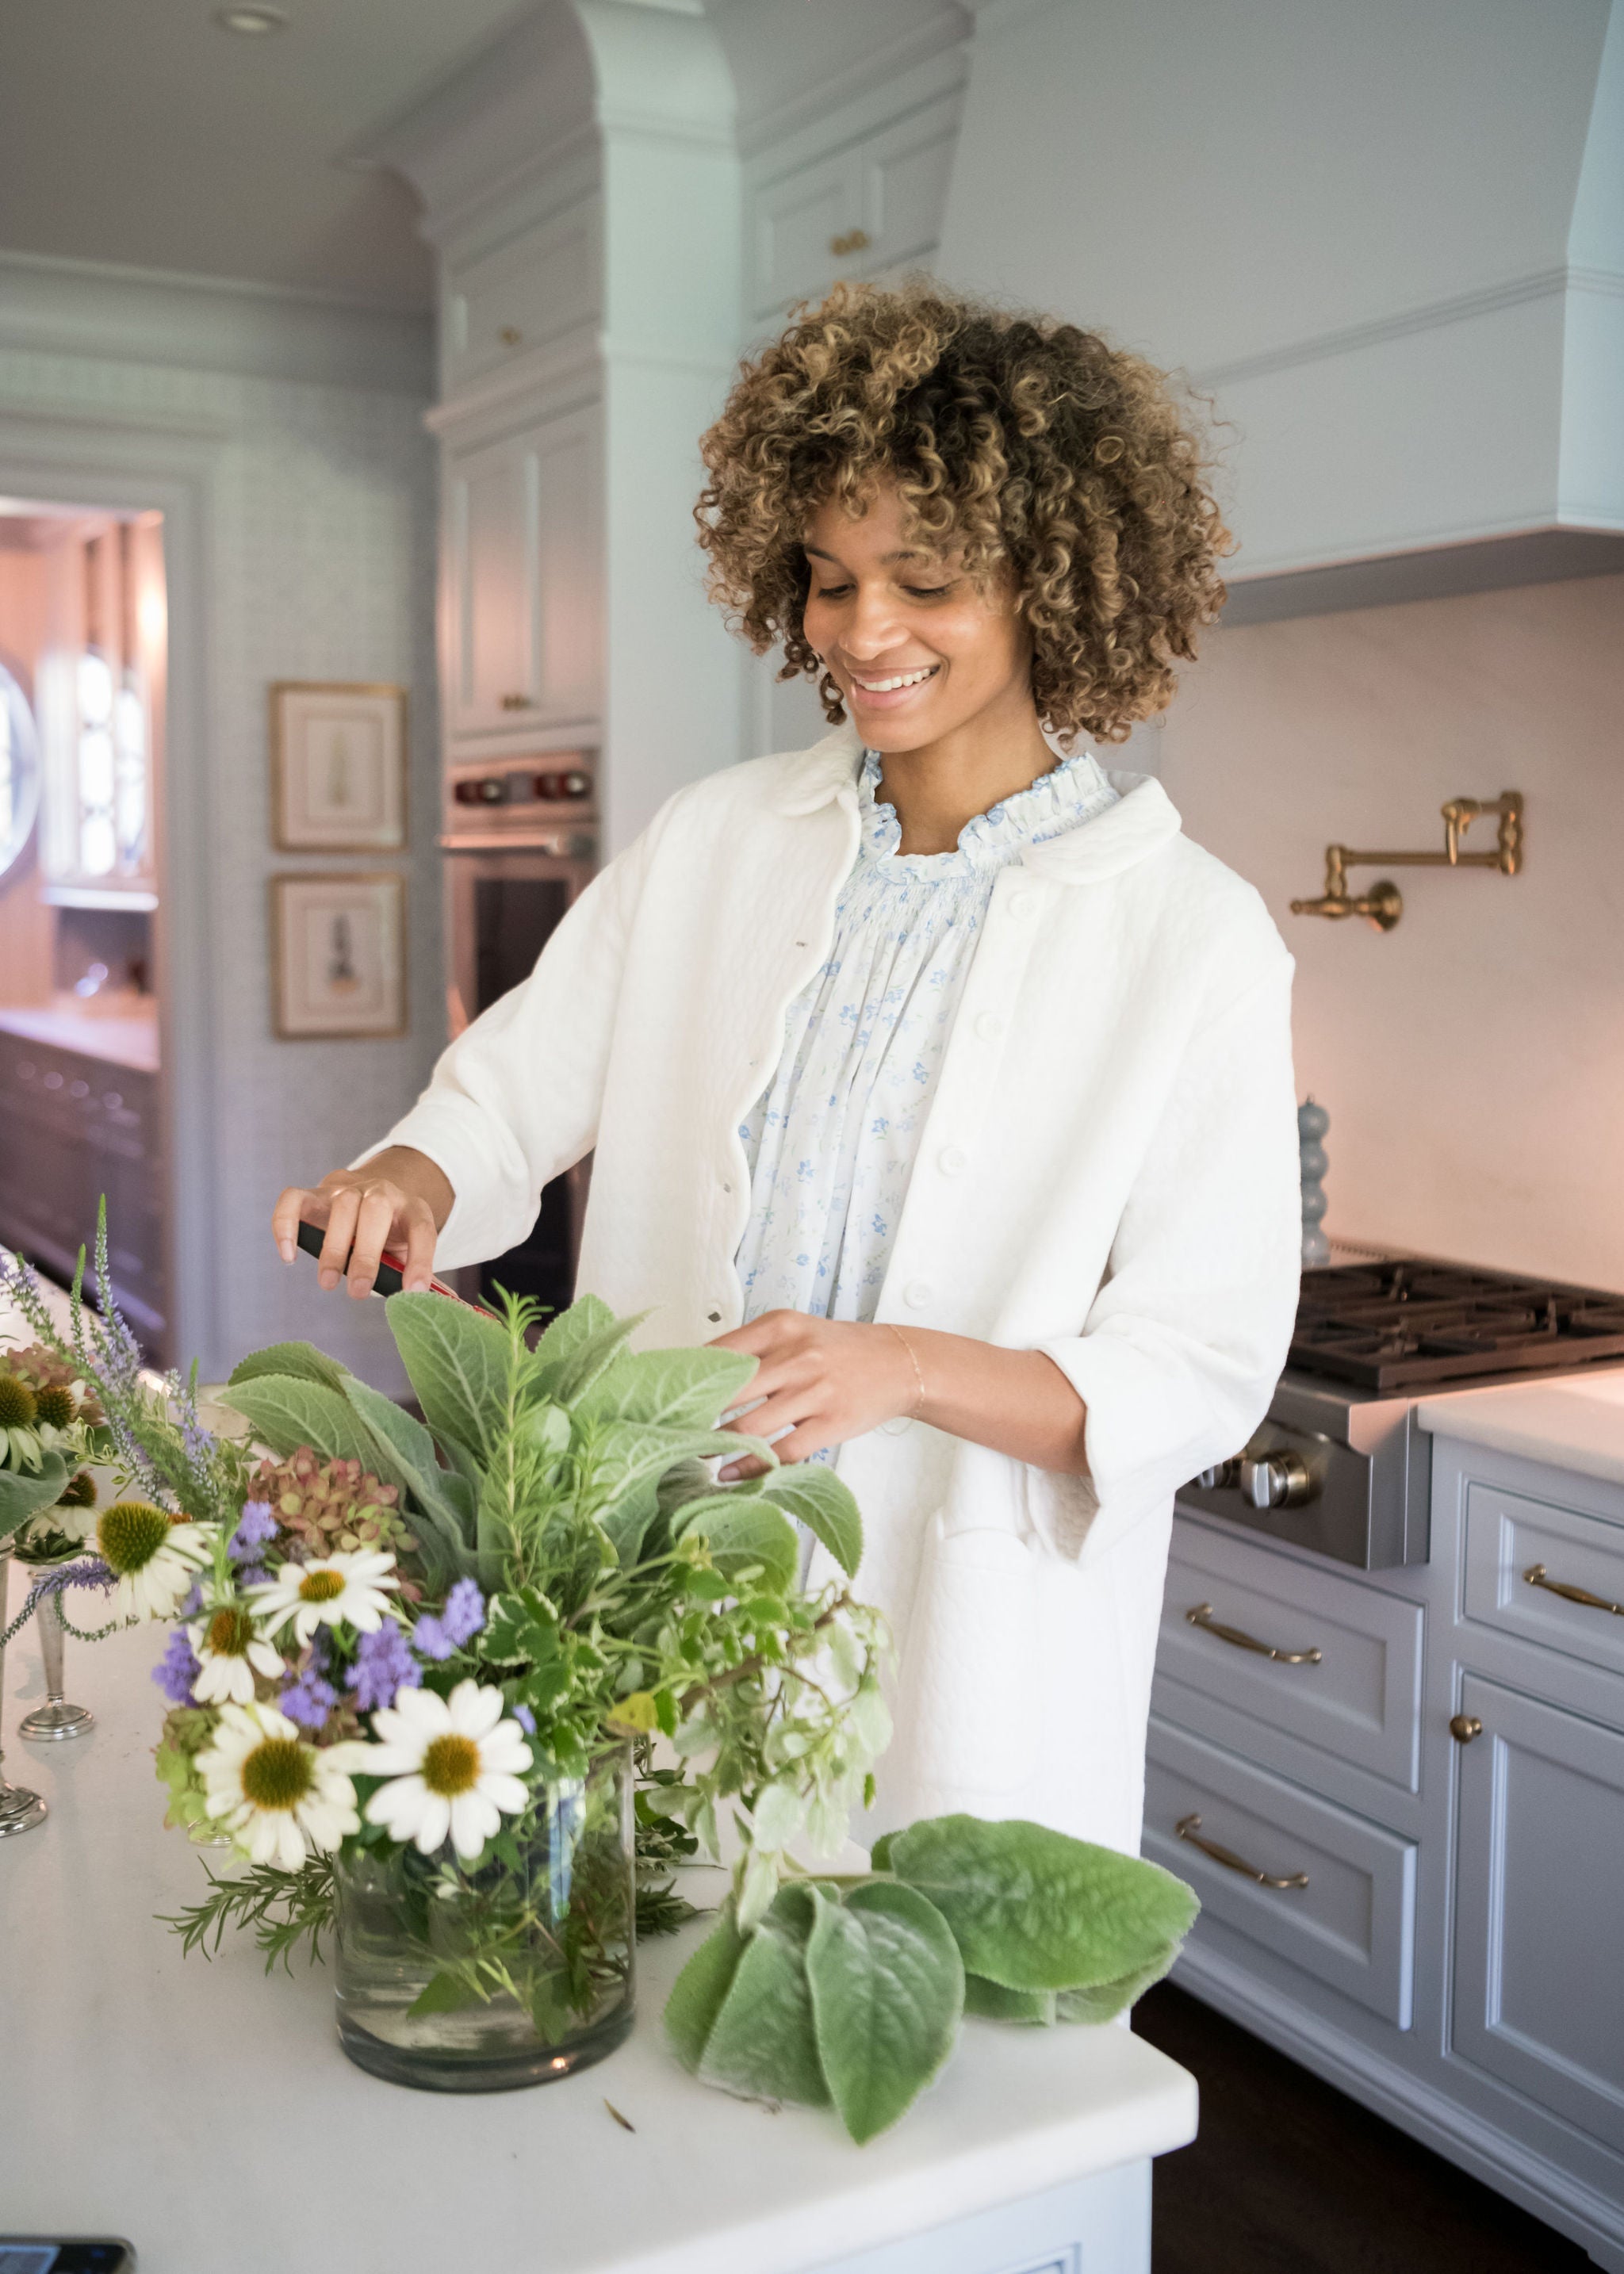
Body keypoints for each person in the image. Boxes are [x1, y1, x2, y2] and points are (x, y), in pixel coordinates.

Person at [272, 284, 1301, 1856]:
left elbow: (1203, 1367)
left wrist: (906, 1368)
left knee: (912, 1977)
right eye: (829, 581)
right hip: (661, 1577)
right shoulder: (719, 839)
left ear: (1053, 579)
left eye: (925, 582)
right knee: (654, 1939)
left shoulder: (1188, 936)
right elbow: (512, 1092)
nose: (861, 632)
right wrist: (410, 1178)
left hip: (967, 1638)